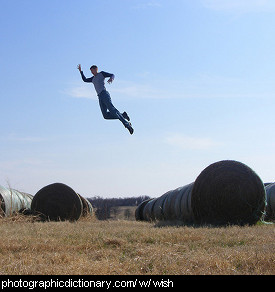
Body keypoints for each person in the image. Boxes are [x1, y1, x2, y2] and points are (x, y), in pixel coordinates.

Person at [77, 64, 134, 134]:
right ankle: (123, 115)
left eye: (92, 71)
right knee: (105, 115)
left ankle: (127, 125)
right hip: (100, 97)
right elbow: (85, 80)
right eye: (91, 71)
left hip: (104, 94)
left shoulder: (101, 74)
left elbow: (112, 74)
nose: (92, 72)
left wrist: (111, 78)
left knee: (113, 110)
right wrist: (80, 71)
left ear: (96, 69)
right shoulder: (93, 78)